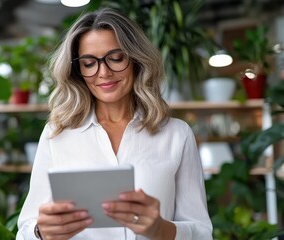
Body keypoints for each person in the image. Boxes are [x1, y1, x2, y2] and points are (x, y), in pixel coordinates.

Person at [16, 7, 212, 240]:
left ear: (136, 59)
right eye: (89, 63)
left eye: (116, 58)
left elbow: (201, 233)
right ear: (78, 70)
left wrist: (159, 228)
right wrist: (41, 232)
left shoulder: (176, 134)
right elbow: (26, 230)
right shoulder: (56, 134)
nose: (104, 72)